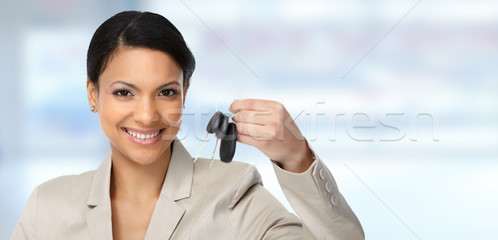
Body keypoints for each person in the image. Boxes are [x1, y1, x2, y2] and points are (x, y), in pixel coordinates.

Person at [11, 11, 363, 240]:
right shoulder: (49, 206)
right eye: (124, 92)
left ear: (185, 93)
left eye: (166, 92)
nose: (147, 115)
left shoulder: (234, 194)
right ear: (93, 94)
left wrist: (297, 157)